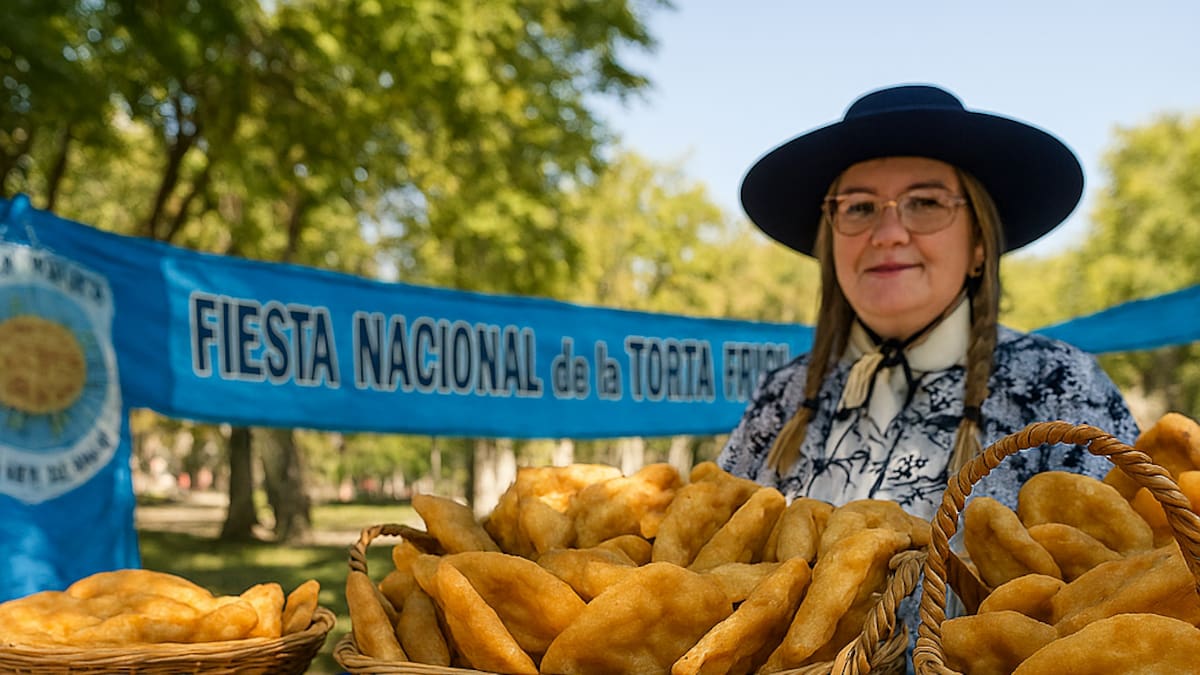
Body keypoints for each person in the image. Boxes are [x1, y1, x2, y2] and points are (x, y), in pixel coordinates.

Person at [715, 84, 1140, 671]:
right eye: (858, 207)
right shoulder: (783, 398)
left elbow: (1126, 584)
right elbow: (712, 573)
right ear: (830, 239)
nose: (887, 233)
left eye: (925, 203)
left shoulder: (1059, 383)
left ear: (977, 245)